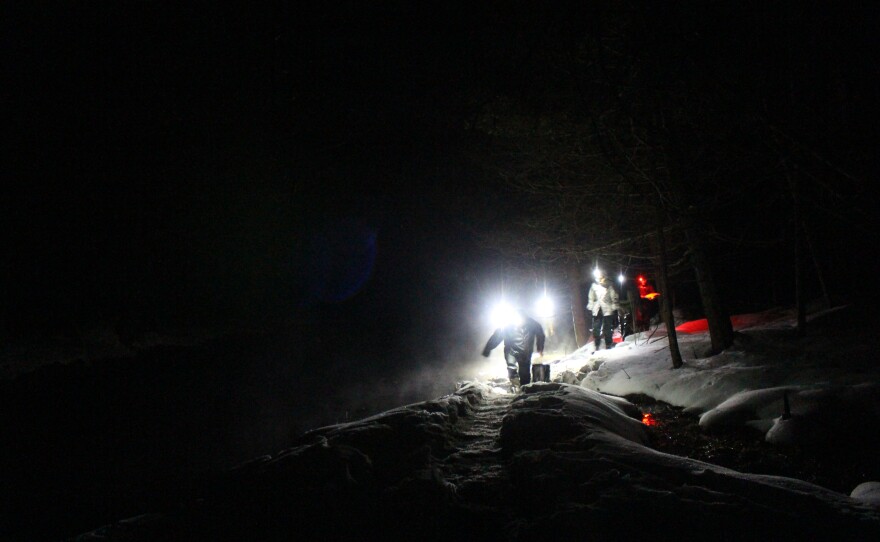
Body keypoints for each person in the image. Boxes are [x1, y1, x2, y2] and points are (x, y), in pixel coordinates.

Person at [482, 309, 545, 390]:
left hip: (524, 352)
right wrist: (488, 348)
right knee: (512, 369)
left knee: (524, 373)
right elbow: (497, 336)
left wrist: (540, 348)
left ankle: (524, 389)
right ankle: (516, 387)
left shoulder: (531, 323)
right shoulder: (508, 324)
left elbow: (540, 334)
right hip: (511, 351)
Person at [587, 269, 620, 350]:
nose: (600, 277)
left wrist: (614, 305)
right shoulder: (594, 286)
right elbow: (591, 297)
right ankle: (597, 344)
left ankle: (608, 344)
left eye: (601, 276)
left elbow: (614, 296)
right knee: (596, 328)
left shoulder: (609, 285)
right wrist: (591, 305)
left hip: (607, 309)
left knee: (607, 328)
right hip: (597, 310)